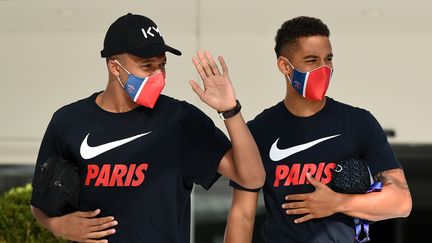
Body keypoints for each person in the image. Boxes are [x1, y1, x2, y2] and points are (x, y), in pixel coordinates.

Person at [30, 13, 265, 243]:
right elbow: (40, 203)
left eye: (162, 64)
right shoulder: (68, 122)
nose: (158, 75)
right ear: (114, 67)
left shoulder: (181, 120)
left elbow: (252, 178)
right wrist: (57, 226)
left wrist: (230, 110)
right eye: (147, 66)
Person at [224, 16, 412, 243]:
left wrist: (338, 203)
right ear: (285, 66)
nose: (323, 68)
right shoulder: (259, 131)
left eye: (328, 59)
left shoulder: (359, 122)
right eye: (311, 60)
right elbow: (242, 215)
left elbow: (401, 202)